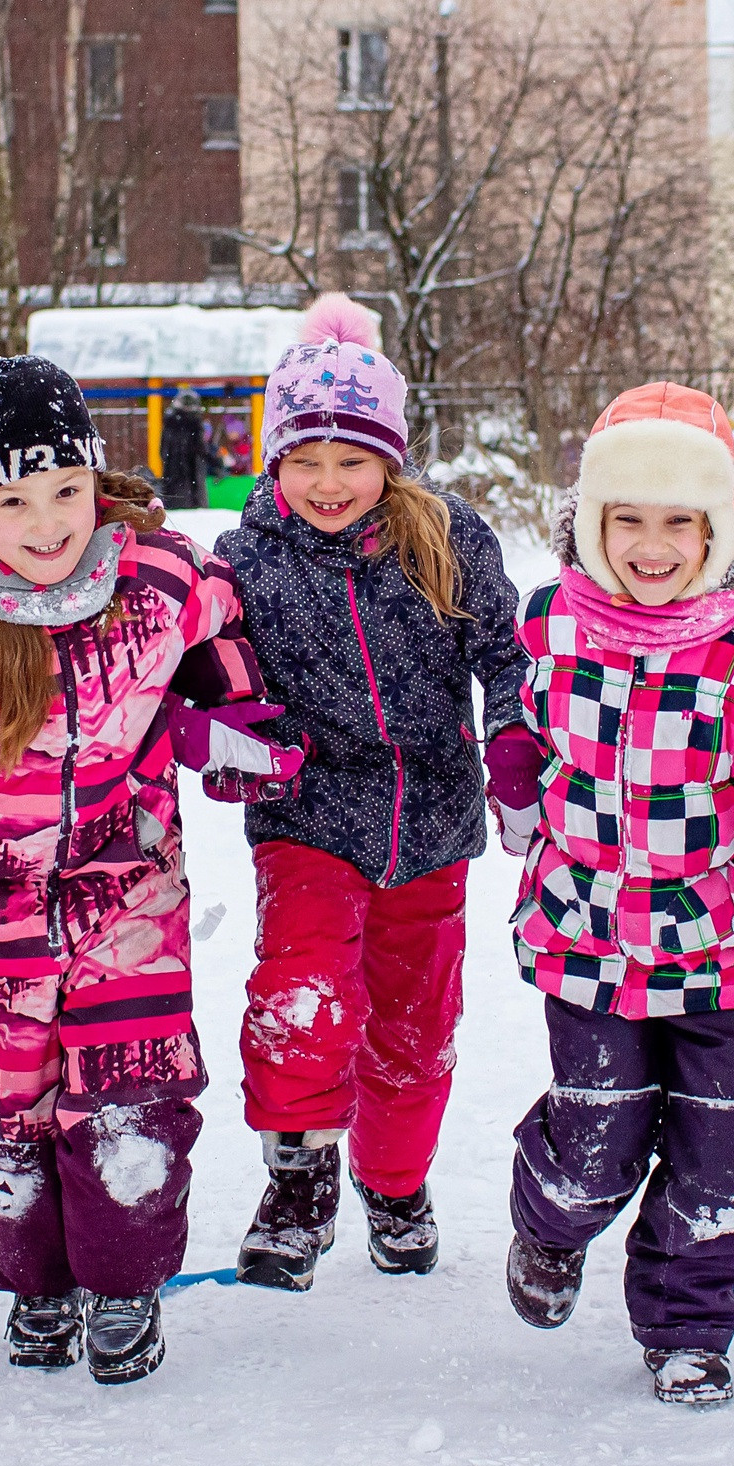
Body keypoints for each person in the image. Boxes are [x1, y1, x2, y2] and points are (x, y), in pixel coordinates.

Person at [0, 354, 297, 1384]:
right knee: (7, 1118)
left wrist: (229, 718)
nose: (47, 523)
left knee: (131, 1105)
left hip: (129, 900)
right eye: (15, 499)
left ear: (95, 482)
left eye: (67, 492)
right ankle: (37, 1289)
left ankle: (124, 1291)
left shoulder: (157, 577)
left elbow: (223, 635)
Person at [487, 384, 734, 1406]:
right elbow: (523, 727)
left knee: (724, 1163)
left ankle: (689, 1327)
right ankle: (550, 1221)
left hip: (723, 951)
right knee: (594, 1148)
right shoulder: (550, 626)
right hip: (589, 942)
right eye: (628, 521)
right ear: (590, 524)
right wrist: (513, 769)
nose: (652, 547)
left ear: (720, 526)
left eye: (679, 523)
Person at [211, 294, 524, 1293]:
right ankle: (298, 1178)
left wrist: (515, 736)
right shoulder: (245, 558)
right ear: (273, 461)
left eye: (352, 460)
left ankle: (394, 1183)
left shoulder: (447, 537)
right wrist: (229, 731)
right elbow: (210, 672)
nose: (328, 482)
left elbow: (505, 652)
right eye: (304, 459)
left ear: (389, 458)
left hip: (431, 814)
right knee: (302, 996)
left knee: (414, 1021)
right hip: (306, 810)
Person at [157, 388, 215, 512]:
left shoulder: (170, 423)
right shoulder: (194, 423)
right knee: (193, 512)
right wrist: (216, 463)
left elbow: (162, 451)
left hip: (172, 477)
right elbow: (201, 449)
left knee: (174, 509)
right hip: (192, 478)